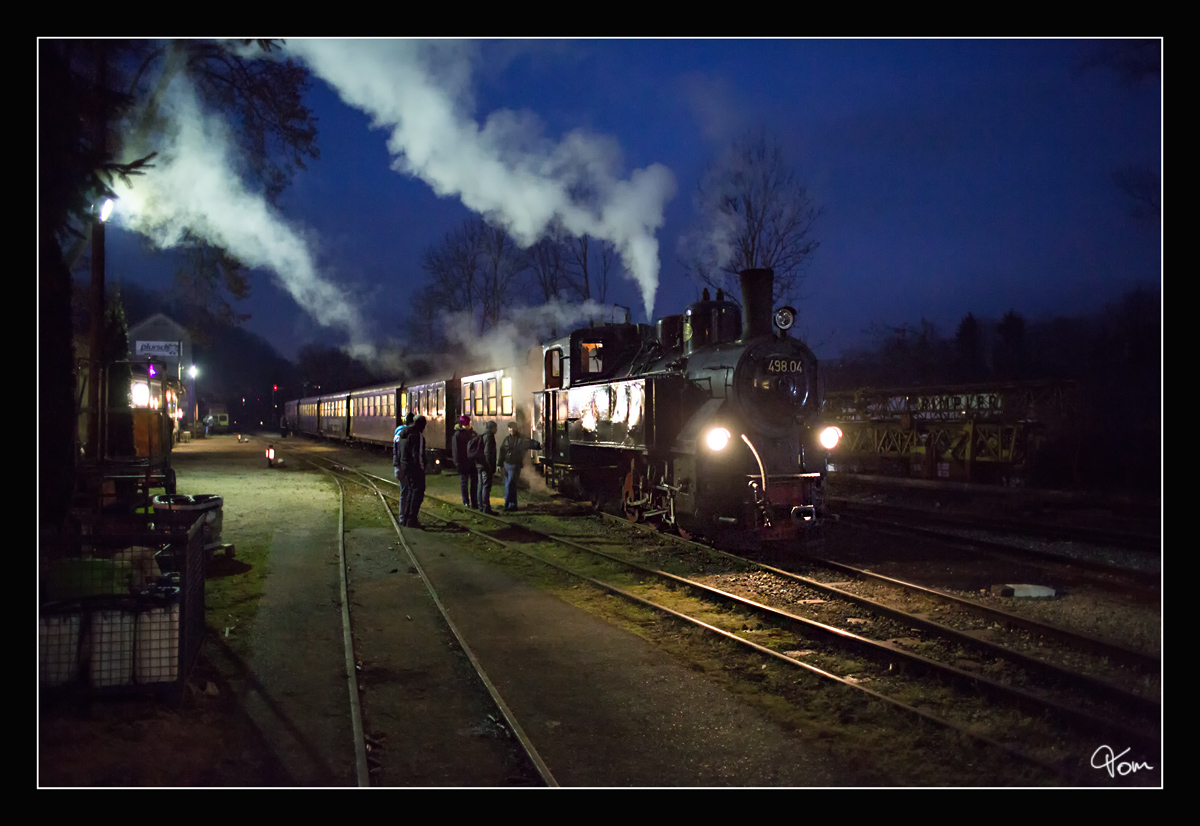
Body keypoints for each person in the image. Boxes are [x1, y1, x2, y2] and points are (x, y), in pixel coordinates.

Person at [500, 421, 542, 512]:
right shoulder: (507, 439)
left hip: (515, 465)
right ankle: (511, 504)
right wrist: (499, 464)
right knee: (509, 485)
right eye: (510, 428)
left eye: (513, 428)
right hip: (507, 464)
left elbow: (531, 443)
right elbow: (502, 451)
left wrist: (539, 445)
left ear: (516, 428)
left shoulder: (521, 439)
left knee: (510, 484)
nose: (511, 430)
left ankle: (508, 504)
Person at [401, 415, 428, 528]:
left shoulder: (404, 434)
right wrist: (422, 468)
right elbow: (418, 454)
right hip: (415, 468)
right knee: (417, 493)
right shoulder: (418, 436)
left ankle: (406, 518)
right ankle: (412, 519)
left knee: (410, 492)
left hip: (405, 466)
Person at [451, 415, 478, 508]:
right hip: (464, 462)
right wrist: (458, 463)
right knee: (465, 482)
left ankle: (474, 501)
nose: (470, 424)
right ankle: (466, 501)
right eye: (468, 423)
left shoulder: (473, 434)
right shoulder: (458, 435)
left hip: (472, 462)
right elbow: (456, 451)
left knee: (473, 482)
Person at [393, 413, 415, 525]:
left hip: (397, 466)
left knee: (404, 492)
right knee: (408, 492)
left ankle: (403, 517)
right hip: (404, 466)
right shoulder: (408, 434)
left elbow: (395, 451)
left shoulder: (397, 432)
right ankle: (405, 518)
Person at [475, 420, 498, 514]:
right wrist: (490, 466)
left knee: (480, 485)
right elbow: (488, 453)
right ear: (492, 428)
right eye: (496, 427)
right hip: (485, 465)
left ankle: (480, 506)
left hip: (479, 464)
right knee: (486, 486)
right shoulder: (489, 437)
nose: (496, 430)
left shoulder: (483, 435)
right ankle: (486, 507)